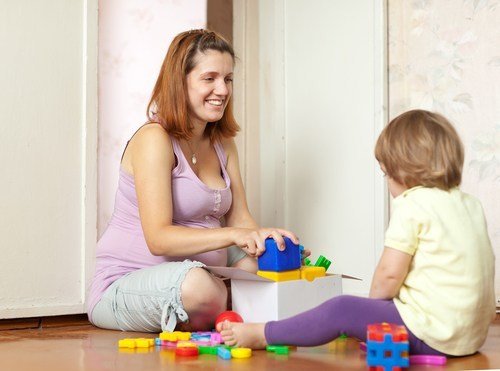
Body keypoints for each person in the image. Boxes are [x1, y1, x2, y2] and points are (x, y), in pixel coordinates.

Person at [220, 109, 496, 356]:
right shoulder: (469, 204)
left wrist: (370, 316)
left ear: (403, 171)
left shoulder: (413, 204)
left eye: (386, 174)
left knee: (341, 308)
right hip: (470, 337)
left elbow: (388, 275)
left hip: (431, 335)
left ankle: (261, 333)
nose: (388, 182)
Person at [87, 29, 300, 333]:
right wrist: (233, 236)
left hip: (201, 277)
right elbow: (158, 238)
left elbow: (241, 217)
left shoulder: (223, 143)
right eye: (209, 78)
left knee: (261, 266)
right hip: (126, 283)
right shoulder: (154, 139)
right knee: (203, 289)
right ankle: (225, 309)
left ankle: (225, 312)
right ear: (180, 82)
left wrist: (272, 243)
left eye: (228, 79)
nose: (223, 90)